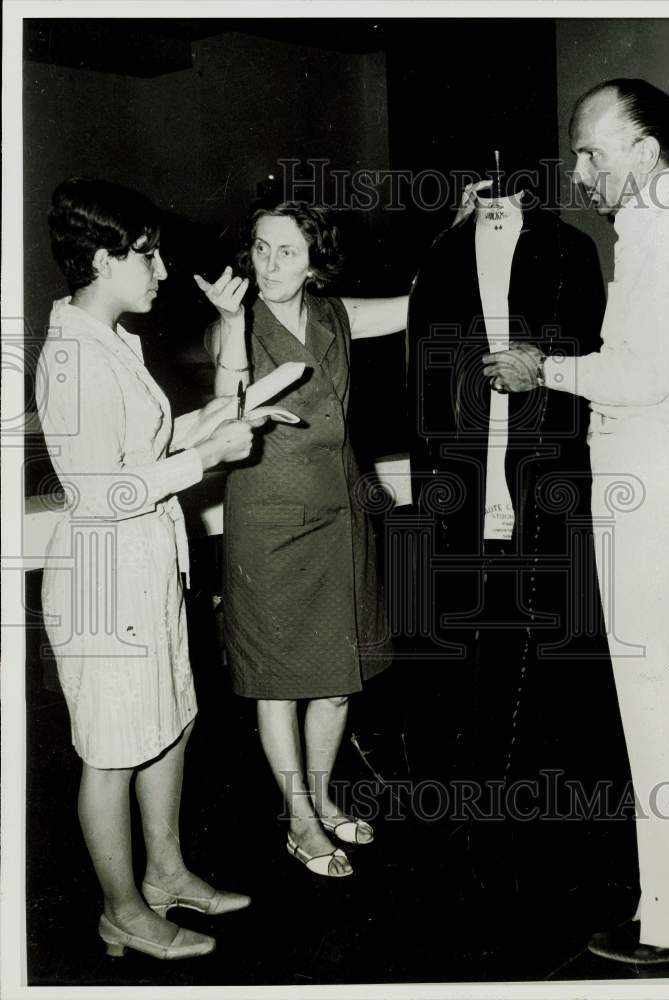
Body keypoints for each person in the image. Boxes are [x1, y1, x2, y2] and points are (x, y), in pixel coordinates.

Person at [491, 79, 669, 964]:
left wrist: (544, 368)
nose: (577, 171)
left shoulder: (661, 229)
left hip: (648, 471)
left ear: (646, 153)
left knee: (657, 703)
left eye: (591, 152)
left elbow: (637, 375)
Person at [37, 178, 280, 960]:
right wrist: (201, 458)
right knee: (110, 751)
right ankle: (120, 910)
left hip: (146, 565)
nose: (162, 270)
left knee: (168, 723)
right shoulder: (69, 357)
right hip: (106, 583)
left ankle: (166, 873)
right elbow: (96, 490)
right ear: (105, 260)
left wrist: (202, 422)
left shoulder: (110, 341)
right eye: (147, 256)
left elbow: (130, 449)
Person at [403, 164, 631, 894]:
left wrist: (542, 368)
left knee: (550, 643)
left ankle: (550, 820)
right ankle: (466, 814)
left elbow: (599, 355)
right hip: (464, 483)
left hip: (546, 478)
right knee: (466, 642)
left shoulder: (570, 250)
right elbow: (419, 378)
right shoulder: (442, 255)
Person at [198, 202, 408, 877]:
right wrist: (231, 324)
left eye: (287, 251)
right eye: (260, 248)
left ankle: (319, 799)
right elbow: (226, 413)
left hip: (339, 510)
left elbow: (418, 300)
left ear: (315, 261)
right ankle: (298, 822)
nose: (270, 264)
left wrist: (461, 230)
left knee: (337, 680)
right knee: (278, 683)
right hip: (268, 519)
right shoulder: (234, 325)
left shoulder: (333, 316)